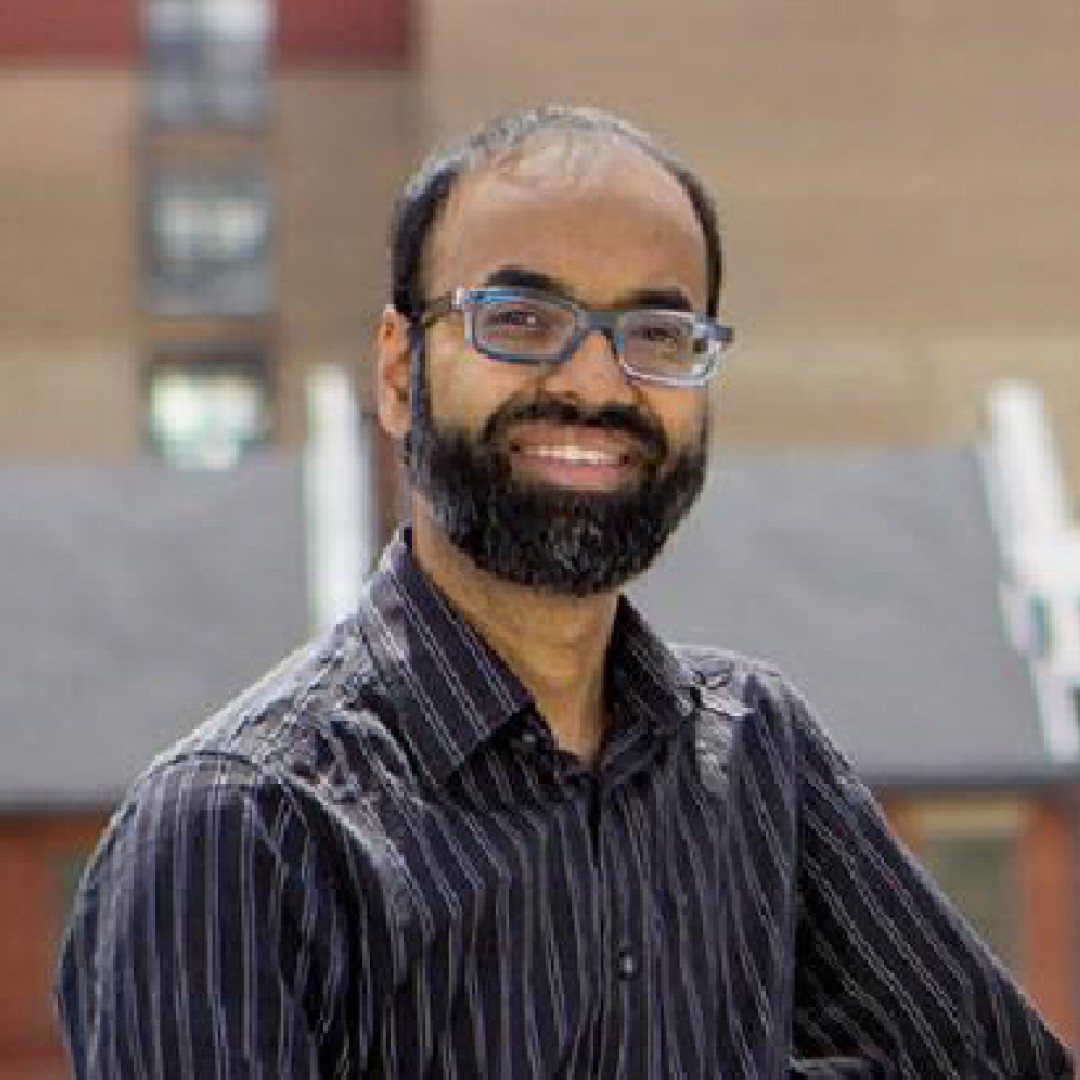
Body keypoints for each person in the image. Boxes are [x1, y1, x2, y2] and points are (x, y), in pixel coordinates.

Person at [57, 105, 1073, 1079]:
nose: (596, 385)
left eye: (659, 334)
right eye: (524, 319)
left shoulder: (760, 758)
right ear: (400, 370)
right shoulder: (240, 833)